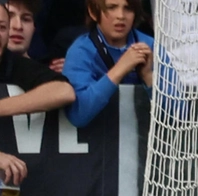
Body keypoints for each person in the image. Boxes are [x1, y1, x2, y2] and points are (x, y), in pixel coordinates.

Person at [61, 0, 151, 129]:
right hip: (100, 144)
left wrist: (148, 76)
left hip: (147, 144)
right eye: (112, 7)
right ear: (93, 12)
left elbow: (179, 115)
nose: (121, 15)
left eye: (128, 8)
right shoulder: (81, 51)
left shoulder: (150, 46)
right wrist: (119, 69)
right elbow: (78, 115)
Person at [0, 0, 73, 118]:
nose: (18, 26)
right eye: (9, 16)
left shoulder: (44, 67)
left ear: (34, 28)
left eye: (26, 19)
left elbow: (64, 91)